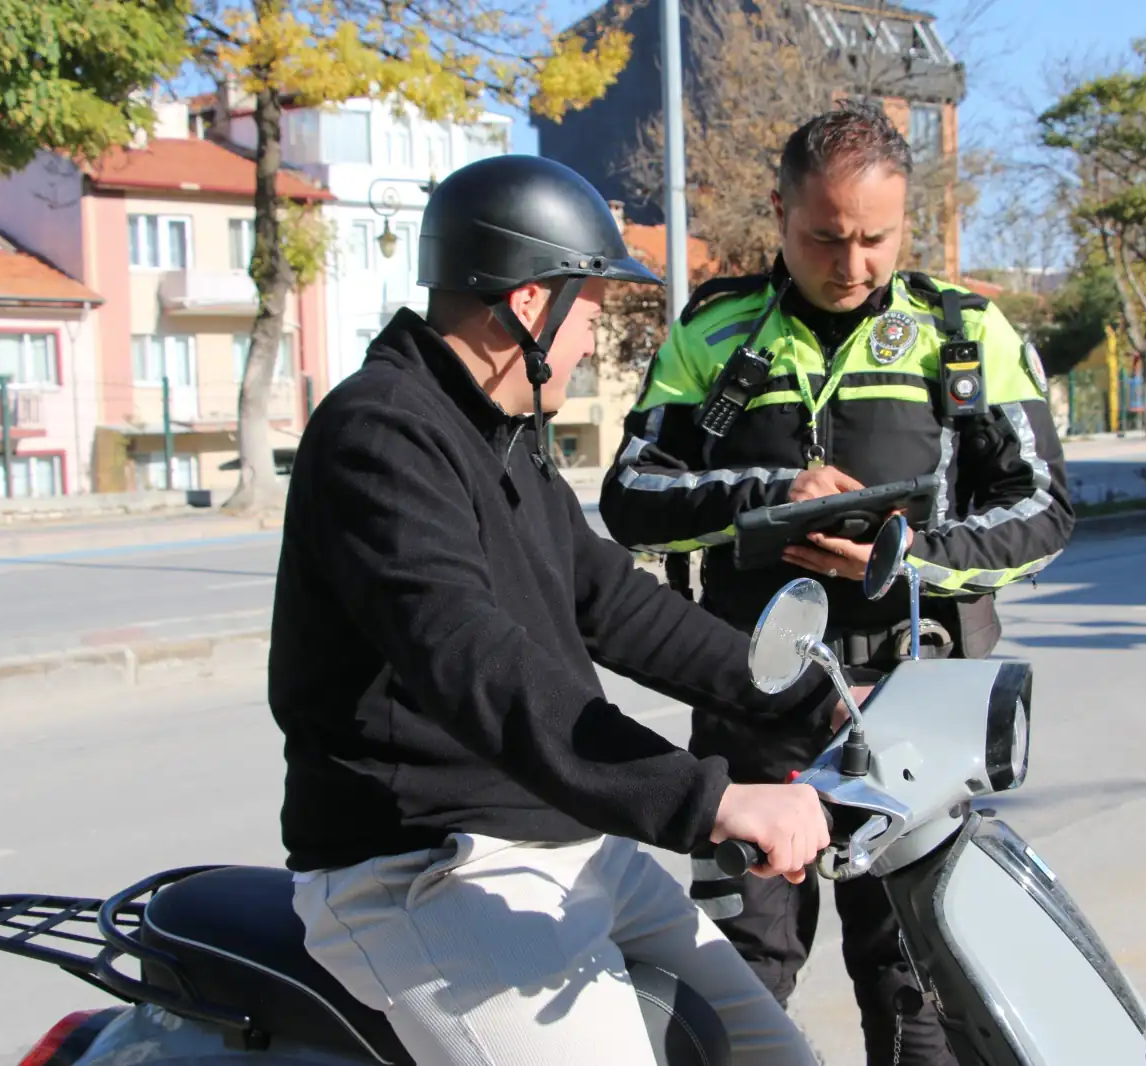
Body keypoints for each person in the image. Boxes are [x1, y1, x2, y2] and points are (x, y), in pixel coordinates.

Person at [269, 153, 864, 1066]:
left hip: (567, 847)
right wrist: (708, 800)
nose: (596, 338)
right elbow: (475, 661)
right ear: (531, 303)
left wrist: (805, 697)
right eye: (594, 306)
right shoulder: (380, 434)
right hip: (426, 868)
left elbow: (609, 600)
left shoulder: (503, 435)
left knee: (775, 1054)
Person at [599, 100, 1075, 1065]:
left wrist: (909, 557)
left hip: (909, 709)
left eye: (875, 239)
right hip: (750, 701)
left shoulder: (964, 333)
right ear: (779, 212)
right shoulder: (715, 333)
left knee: (916, 991)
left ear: (908, 223)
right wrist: (774, 494)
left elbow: (1046, 510)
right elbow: (631, 496)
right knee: (736, 976)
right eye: (825, 236)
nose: (852, 264)